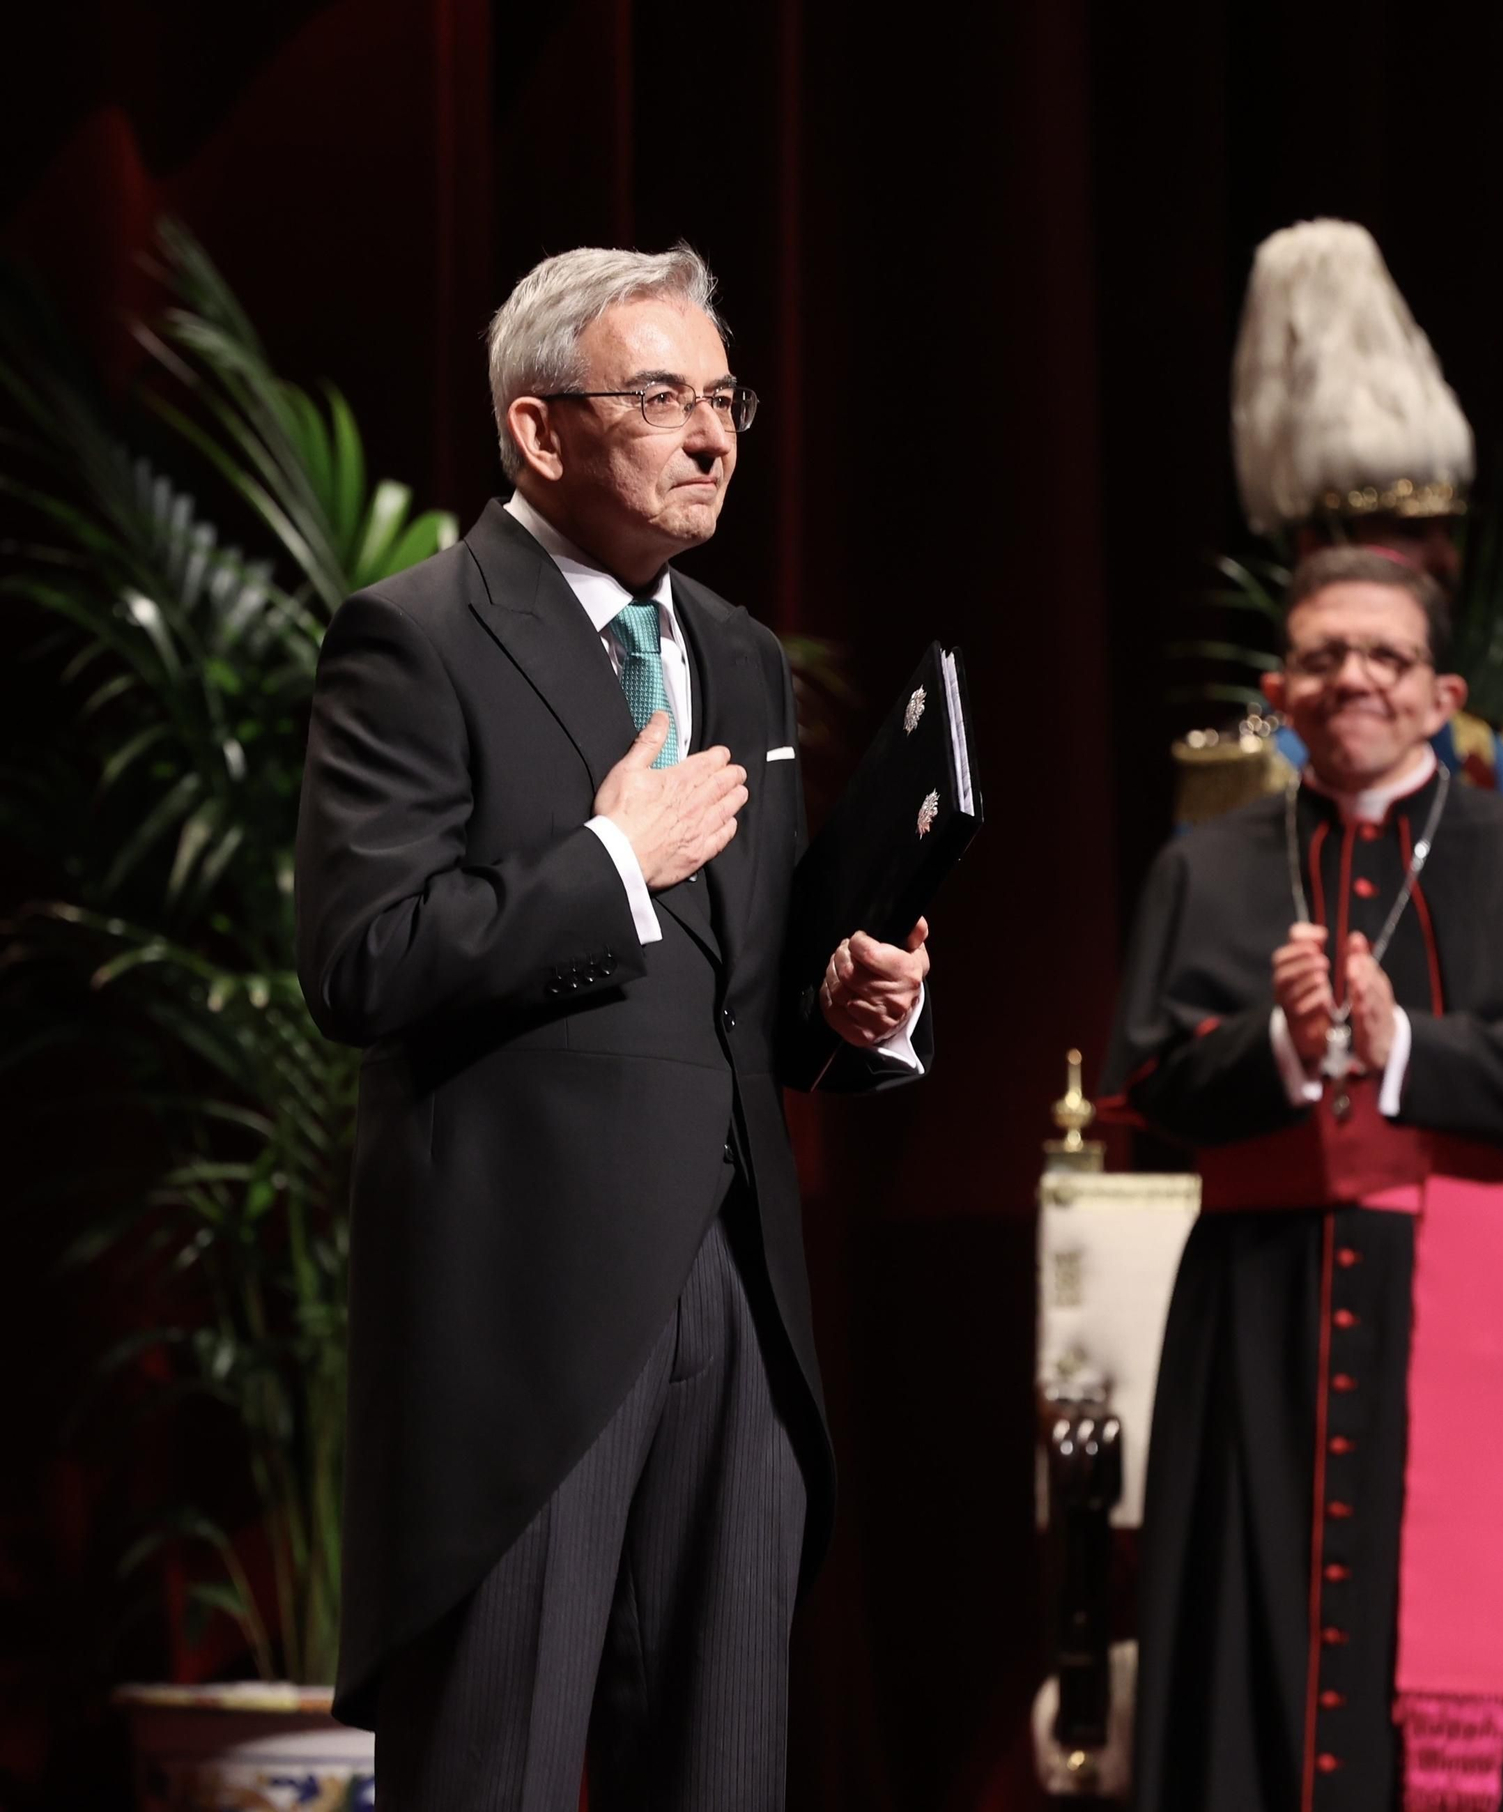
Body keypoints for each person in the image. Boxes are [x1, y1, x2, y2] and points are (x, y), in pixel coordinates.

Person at [294, 244, 933, 1810]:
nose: (711, 436)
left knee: (721, 1771)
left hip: (736, 1300)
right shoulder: (417, 639)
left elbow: (745, 994)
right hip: (524, 1324)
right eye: (662, 397)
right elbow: (363, 960)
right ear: (539, 429)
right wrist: (602, 864)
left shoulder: (740, 657)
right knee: (495, 1766)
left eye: (726, 401)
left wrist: (848, 1008)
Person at [1100, 545, 1503, 1811]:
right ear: (1280, 687)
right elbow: (1145, 1084)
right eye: (1321, 656)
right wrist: (1281, 1044)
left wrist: (1404, 1049)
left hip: (1465, 1300)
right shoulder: (1202, 866)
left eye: (1384, 655)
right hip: (1254, 1311)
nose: (1351, 679)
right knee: (1242, 1630)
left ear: (1443, 692)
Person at [1231, 217, 1503, 802]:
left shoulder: (1495, 762)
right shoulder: (1251, 776)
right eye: (1409, 530)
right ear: (1317, 549)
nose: (1446, 559)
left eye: (1448, 531)